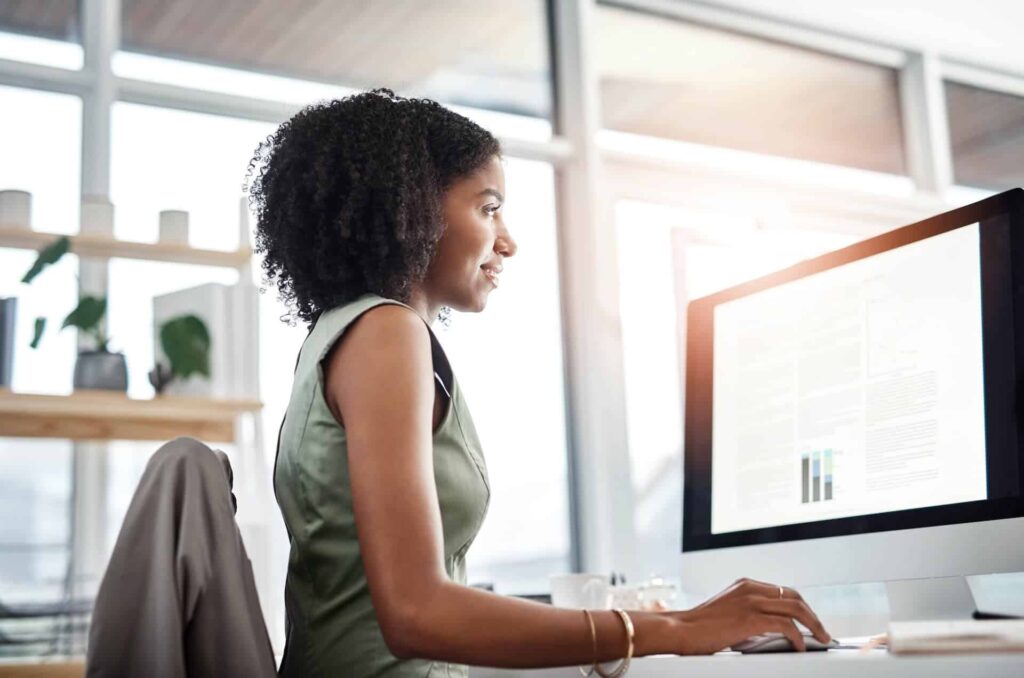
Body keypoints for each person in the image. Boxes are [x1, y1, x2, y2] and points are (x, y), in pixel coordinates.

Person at [248, 89, 831, 678]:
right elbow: (416, 613)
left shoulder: (339, 337)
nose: (508, 239)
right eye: (487, 207)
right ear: (412, 207)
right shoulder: (386, 333)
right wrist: (676, 629)